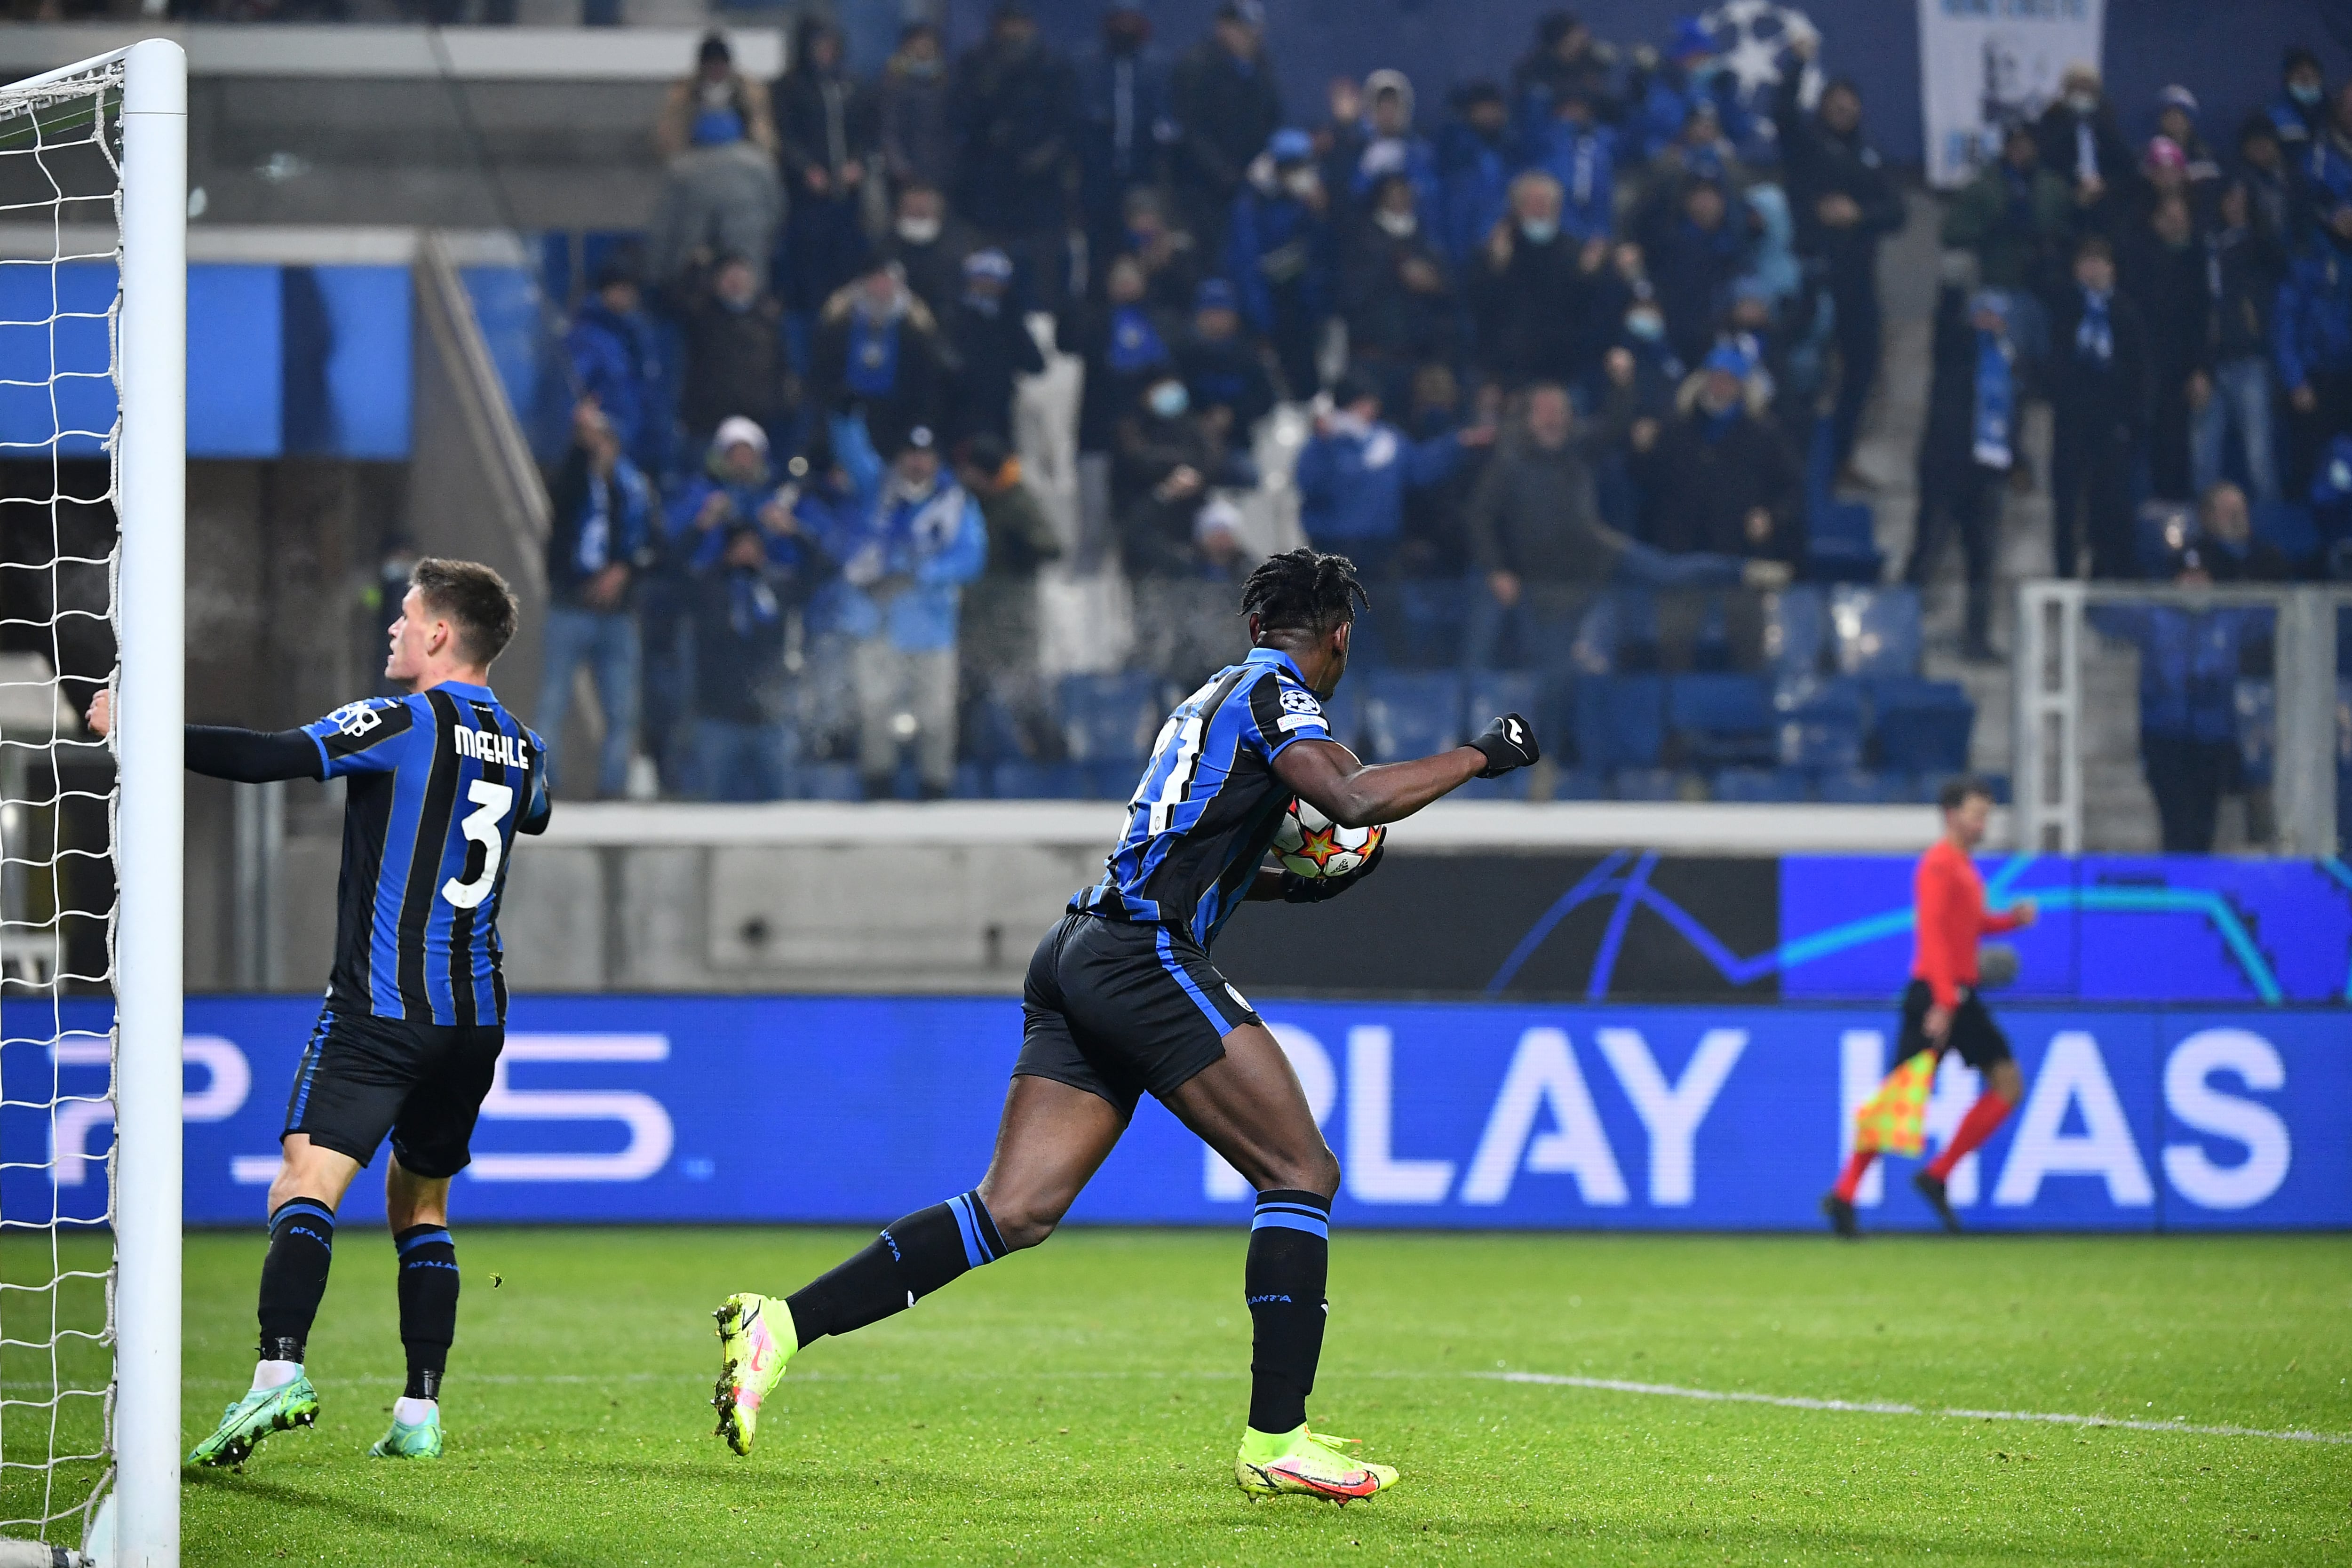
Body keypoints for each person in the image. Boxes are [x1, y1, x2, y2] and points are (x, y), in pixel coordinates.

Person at [707, 547, 1543, 1499]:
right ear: (1339, 638)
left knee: (1014, 1209)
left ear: (1255, 623)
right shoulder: (1276, 697)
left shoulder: (1213, 695)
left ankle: (780, 1321)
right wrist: (1482, 753)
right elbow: (1350, 800)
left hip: (1080, 946)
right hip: (1139, 954)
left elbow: (1186, 842)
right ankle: (1279, 1436)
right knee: (1300, 1170)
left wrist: (1276, 884)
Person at [128, 560, 548, 1464]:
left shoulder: (400, 720)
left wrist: (147, 730)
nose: (393, 630)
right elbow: (536, 813)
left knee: (302, 1183)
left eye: (406, 616)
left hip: (381, 1006)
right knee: (421, 1200)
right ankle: (418, 1412)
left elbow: (275, 755)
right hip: (475, 1018)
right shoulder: (526, 746)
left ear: (441, 634)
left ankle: (278, 1376)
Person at [1824, 777, 2036, 1239]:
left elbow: (1968, 926)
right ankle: (1845, 1193)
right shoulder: (1938, 865)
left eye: (1985, 815)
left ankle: (1936, 1174)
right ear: (1950, 814)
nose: (1982, 823)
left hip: (1957, 994)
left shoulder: (1961, 866)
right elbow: (1934, 936)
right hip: (1938, 994)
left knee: (2006, 1082)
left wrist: (2009, 921)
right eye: (1975, 814)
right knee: (1900, 1097)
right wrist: (1942, 999)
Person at [1775, 33, 1904, 487]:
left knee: (1861, 371)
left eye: (1852, 105)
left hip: (1858, 282)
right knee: (1804, 375)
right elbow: (1782, 114)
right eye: (1836, 103)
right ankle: (1793, 464)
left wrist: (1858, 214)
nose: (1844, 111)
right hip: (1814, 276)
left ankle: (1841, 459)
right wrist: (1796, 64)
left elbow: (1898, 212)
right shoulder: (1806, 146)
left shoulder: (1869, 158)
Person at [837, 426, 987, 798]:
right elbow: (851, 450)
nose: (917, 462)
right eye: (910, 453)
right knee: (874, 711)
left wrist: (922, 574)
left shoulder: (954, 501)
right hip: (876, 624)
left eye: (925, 455)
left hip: (932, 628)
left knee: (936, 715)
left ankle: (935, 788)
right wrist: (845, 417)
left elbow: (972, 556)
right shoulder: (877, 488)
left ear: (936, 461)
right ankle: (878, 786)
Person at [539, 402, 655, 797]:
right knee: (552, 703)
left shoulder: (634, 488)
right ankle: (544, 784)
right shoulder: (572, 480)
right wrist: (581, 449)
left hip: (616, 614)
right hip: (570, 606)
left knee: (622, 709)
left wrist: (623, 570)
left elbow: (649, 544)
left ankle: (612, 788)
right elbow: (561, 506)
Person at [1907, 287, 2019, 662]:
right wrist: (1950, 294)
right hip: (1946, 466)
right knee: (1928, 550)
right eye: (1982, 314)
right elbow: (1945, 330)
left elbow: (2010, 416)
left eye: (1996, 314)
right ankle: (1901, 632)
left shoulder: (2009, 361)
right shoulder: (1957, 352)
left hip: (1987, 471)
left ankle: (1977, 638)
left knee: (1982, 559)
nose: (1989, 321)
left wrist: (2017, 460)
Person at [1294, 368, 1485, 587]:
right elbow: (1309, 484)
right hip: (1333, 550)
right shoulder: (1323, 443)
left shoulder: (1387, 440)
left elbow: (1419, 468)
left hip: (1381, 551)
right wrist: (1326, 444)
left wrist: (1456, 444)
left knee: (1388, 615)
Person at [950, 3, 1080, 302]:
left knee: (1041, 268)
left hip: (1041, 187)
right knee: (987, 261)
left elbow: (1068, 123)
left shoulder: (1053, 65)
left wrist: (1045, 155)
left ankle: (1040, 321)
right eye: (1008, 23)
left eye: (1020, 23)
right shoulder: (975, 62)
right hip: (988, 186)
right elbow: (961, 117)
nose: (1013, 30)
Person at [1629, 346, 1802, 561]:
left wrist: (1771, 517)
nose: (1720, 386)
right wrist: (1642, 451)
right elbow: (1648, 481)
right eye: (1715, 378)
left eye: (1729, 380)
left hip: (1735, 548)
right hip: (1677, 548)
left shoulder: (1763, 434)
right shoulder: (1676, 426)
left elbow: (1792, 486)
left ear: (1742, 386)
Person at [690, 520, 818, 802]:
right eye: (740, 547)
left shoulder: (779, 585)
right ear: (727, 552)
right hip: (718, 716)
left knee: (783, 807)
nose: (748, 553)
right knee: (710, 808)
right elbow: (673, 571)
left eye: (754, 547)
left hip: (771, 717)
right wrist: (701, 528)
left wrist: (794, 532)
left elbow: (825, 570)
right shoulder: (707, 587)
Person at [2049, 234, 2150, 578]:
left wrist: (2131, 421)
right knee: (2066, 503)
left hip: (2111, 424)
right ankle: (2065, 574)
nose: (2092, 271)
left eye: (2099, 263)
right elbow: (2056, 359)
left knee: (2109, 504)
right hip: (2072, 421)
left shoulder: (2127, 312)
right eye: (2086, 263)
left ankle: (2104, 573)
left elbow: (2139, 371)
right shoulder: (2064, 308)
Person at [649, 32, 784, 287]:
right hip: (696, 191)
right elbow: (669, 137)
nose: (716, 70)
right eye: (711, 64)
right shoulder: (684, 94)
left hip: (742, 193)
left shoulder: (749, 92)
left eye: (721, 64)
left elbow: (764, 135)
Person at [772, 19, 877, 313]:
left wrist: (858, 163)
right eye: (819, 44)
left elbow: (867, 133)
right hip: (806, 199)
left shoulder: (853, 85)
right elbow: (784, 136)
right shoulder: (789, 87)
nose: (825, 51)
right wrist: (806, 169)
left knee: (847, 268)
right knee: (809, 273)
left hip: (848, 198)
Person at [2193, 181, 2287, 503]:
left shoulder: (2259, 244)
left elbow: (2281, 269)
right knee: (2204, 458)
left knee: (2259, 457)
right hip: (2210, 364)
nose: (2235, 205)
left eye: (2241, 199)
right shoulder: (2207, 246)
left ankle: (2268, 539)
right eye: (2229, 198)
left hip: (2249, 360)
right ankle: (2207, 542)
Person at [1227, 128, 1336, 398]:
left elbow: (1323, 258)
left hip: (1306, 316)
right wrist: (1263, 327)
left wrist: (1320, 217)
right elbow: (1247, 268)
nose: (1299, 173)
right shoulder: (1252, 204)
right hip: (1272, 317)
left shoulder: (1309, 201)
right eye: (1292, 167)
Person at [1338, 173, 1459, 411]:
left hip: (1419, 358)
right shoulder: (1362, 240)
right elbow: (1351, 295)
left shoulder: (1425, 240)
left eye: (1405, 194)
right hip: (1373, 357)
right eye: (1393, 194)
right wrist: (1396, 274)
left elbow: (1450, 294)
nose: (1400, 200)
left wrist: (1436, 284)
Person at [1170, 0, 1285, 246]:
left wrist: (1263, 165)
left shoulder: (1262, 67)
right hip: (1202, 191)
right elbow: (1191, 133)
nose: (1252, 37)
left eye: (1256, 30)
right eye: (1244, 30)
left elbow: (1273, 119)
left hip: (1251, 187)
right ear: (1223, 28)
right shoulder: (1196, 67)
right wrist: (1229, 177)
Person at [810, 259, 945, 450]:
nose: (882, 287)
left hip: (897, 417)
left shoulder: (915, 329)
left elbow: (925, 380)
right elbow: (822, 372)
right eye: (876, 281)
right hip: (846, 412)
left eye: (888, 281)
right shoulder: (839, 324)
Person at [2127, 191, 2209, 501]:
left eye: (2181, 217)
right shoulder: (2138, 257)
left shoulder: (2195, 259)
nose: (2176, 224)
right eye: (2169, 217)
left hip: (2179, 371)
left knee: (2176, 448)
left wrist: (2202, 368)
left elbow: (2200, 319)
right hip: (2142, 368)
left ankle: (2179, 518)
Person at [1077, 1, 1176, 244]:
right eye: (1119, 21)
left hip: (1144, 175)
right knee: (1098, 247)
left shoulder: (1158, 66)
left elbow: (1168, 122)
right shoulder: (1087, 64)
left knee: (1143, 245)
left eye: (1131, 21)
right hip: (1096, 179)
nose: (1125, 28)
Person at [1939, 120, 2071, 298]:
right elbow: (1952, 232)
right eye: (2016, 146)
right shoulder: (1984, 186)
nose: (2021, 151)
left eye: (2027, 145)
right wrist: (1993, 225)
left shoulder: (2052, 186)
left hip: (2042, 269)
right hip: (1993, 263)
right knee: (1956, 265)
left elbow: (2066, 226)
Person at [679, 252, 792, 452]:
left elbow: (781, 368)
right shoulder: (702, 318)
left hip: (759, 418)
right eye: (729, 278)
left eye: (741, 277)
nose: (736, 283)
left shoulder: (768, 321)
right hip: (710, 420)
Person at [564, 259, 665, 483]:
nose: (626, 296)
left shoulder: (640, 335)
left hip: (637, 443)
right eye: (619, 289)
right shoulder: (586, 336)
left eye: (630, 290)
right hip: (602, 441)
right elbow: (578, 385)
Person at [942, 248, 1047, 447]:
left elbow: (1036, 363)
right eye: (982, 280)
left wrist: (1011, 322)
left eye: (994, 282)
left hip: (1000, 416)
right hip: (959, 415)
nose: (988, 288)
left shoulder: (1009, 320)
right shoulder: (953, 318)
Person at [2034, 63, 2138, 239]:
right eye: (2077, 88)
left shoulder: (2106, 121)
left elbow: (2125, 163)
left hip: (2104, 193)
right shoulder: (2052, 120)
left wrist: (2103, 186)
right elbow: (2048, 160)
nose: (2082, 93)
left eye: (2087, 88)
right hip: (2066, 191)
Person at [1435, 80, 1513, 269]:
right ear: (1469, 112)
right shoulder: (1453, 152)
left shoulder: (1511, 152)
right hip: (1461, 253)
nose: (1490, 115)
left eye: (1494, 108)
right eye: (1483, 108)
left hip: (1502, 254)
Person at [876, 22, 955, 196]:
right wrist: (900, 166)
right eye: (917, 43)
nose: (923, 48)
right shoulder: (893, 82)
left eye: (928, 43)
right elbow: (888, 129)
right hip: (905, 172)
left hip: (940, 170)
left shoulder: (948, 81)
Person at [880, 182, 979, 318]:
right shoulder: (884, 248)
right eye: (910, 212)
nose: (916, 218)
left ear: (937, 213)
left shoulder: (955, 250)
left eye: (921, 212)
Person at [2270, 46, 2329, 157]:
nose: (2307, 81)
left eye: (2312, 76)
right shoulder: (2276, 114)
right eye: (2301, 76)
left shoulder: (2334, 111)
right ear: (2287, 79)